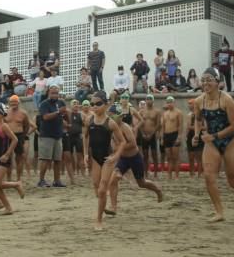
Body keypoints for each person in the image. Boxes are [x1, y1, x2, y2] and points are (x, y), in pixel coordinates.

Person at [192, 68, 234, 222]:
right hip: (211, 142)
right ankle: (219, 212)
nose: (206, 83)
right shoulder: (199, 101)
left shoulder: (226, 99)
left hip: (231, 140)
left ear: (217, 82)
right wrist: (197, 134)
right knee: (208, 176)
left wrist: (214, 136)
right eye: (203, 80)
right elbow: (198, 119)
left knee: (233, 183)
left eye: (210, 79)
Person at [106, 103, 163, 222]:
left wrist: (118, 148)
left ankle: (157, 190)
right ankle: (114, 207)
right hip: (123, 159)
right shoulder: (111, 127)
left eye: (113, 116)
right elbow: (112, 142)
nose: (111, 118)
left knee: (141, 183)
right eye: (109, 116)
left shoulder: (125, 127)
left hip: (134, 157)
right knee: (113, 180)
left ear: (120, 116)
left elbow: (132, 144)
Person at [83, 91, 125, 231]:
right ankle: (103, 202)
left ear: (106, 105)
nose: (94, 106)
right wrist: (85, 154)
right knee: (97, 188)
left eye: (98, 104)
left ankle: (99, 221)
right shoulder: (89, 120)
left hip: (107, 159)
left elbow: (123, 142)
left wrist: (116, 156)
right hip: (95, 158)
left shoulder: (111, 123)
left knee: (102, 190)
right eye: (92, 104)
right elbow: (85, 137)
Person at [0, 103, 24, 214]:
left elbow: (15, 140)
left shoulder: (4, 126)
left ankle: (16, 184)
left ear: (2, 114)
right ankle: (8, 208)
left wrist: (7, 154)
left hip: (4, 158)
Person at [37, 85, 66, 187]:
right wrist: (58, 112)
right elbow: (45, 117)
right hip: (47, 135)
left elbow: (65, 114)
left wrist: (67, 123)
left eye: (56, 93)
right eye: (53, 93)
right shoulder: (44, 104)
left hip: (58, 135)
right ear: (49, 93)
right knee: (45, 159)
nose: (55, 95)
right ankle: (41, 180)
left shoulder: (61, 102)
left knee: (58, 160)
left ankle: (57, 181)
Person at [5, 95, 31, 182]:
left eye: (15, 102)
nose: (13, 103)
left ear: (18, 102)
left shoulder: (23, 113)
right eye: (12, 102)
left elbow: (27, 125)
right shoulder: (6, 112)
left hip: (19, 135)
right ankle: (8, 178)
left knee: (19, 158)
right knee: (8, 157)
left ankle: (18, 178)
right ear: (9, 103)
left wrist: (23, 136)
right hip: (8, 136)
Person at [137, 94, 162, 179]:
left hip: (152, 135)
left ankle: (155, 173)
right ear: (146, 100)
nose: (149, 101)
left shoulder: (157, 111)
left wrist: (152, 134)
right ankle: (146, 173)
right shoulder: (141, 112)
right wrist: (143, 134)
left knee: (154, 154)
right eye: (147, 99)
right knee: (145, 155)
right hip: (144, 135)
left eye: (150, 99)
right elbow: (139, 124)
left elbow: (158, 124)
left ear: (153, 100)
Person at [161, 96, 183, 180]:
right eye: (168, 102)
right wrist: (162, 138)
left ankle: (176, 175)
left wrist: (179, 137)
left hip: (175, 135)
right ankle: (169, 175)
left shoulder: (178, 112)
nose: (169, 104)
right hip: (167, 136)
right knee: (168, 157)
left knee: (175, 157)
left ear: (174, 103)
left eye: (171, 102)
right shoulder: (164, 113)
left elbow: (180, 125)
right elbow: (163, 126)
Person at [185, 99, 203, 178]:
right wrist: (186, 135)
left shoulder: (200, 114)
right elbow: (188, 127)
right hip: (190, 135)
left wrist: (198, 129)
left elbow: (203, 126)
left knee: (199, 156)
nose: (190, 105)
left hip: (198, 134)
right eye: (189, 104)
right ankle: (191, 173)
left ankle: (200, 173)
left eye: (191, 104)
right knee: (191, 156)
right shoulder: (189, 115)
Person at [67, 100, 85, 177]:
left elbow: (84, 125)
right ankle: (73, 172)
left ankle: (83, 173)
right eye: (74, 103)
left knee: (79, 156)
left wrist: (83, 134)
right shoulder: (68, 114)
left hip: (78, 137)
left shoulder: (81, 115)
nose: (76, 105)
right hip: (69, 137)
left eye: (77, 104)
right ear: (71, 105)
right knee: (70, 156)